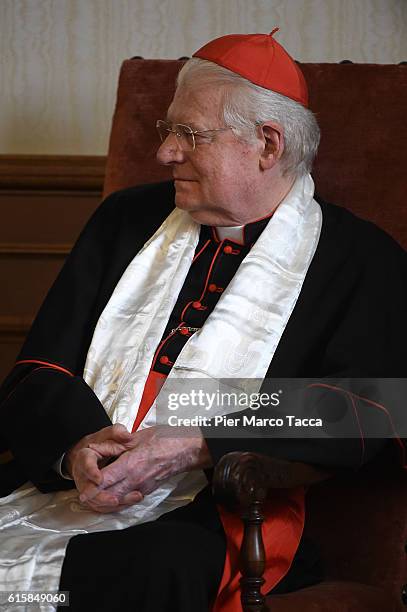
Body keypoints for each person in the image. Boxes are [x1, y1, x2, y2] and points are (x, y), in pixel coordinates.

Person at [0, 30, 406, 612]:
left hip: (217, 510)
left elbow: (369, 406)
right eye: (169, 129)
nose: (164, 151)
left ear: (266, 145)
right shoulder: (125, 220)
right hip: (62, 485)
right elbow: (40, 365)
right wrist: (76, 446)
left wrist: (200, 441)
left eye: (187, 134)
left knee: (144, 571)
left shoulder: (361, 259)